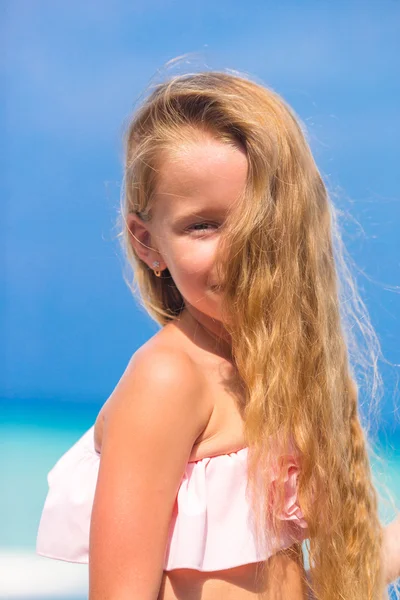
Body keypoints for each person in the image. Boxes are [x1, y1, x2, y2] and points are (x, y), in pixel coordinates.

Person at [36, 70, 400, 600]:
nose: (239, 250)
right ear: (147, 242)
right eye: (203, 225)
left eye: (262, 221)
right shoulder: (169, 379)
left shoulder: (271, 374)